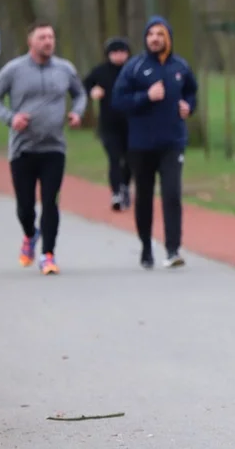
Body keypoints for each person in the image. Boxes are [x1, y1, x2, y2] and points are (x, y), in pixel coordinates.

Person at [0, 21, 86, 275]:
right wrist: (11, 119)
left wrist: (76, 112)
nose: (48, 42)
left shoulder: (65, 69)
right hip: (23, 149)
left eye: (51, 37)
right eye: (42, 37)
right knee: (25, 206)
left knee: (51, 202)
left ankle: (48, 255)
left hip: (54, 148)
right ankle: (30, 235)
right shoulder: (14, 69)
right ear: (31, 41)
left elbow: (80, 94)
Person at [112, 16, 198, 270]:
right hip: (141, 143)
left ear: (168, 37)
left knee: (172, 194)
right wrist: (145, 97)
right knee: (145, 196)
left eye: (160, 34)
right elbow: (119, 100)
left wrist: (188, 106)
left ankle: (173, 249)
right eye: (150, 34)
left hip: (172, 141)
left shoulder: (180, 66)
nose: (155, 39)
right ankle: (146, 246)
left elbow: (191, 91)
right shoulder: (135, 67)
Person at [82, 37, 132, 211]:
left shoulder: (132, 70)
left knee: (131, 160)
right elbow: (84, 84)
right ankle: (116, 192)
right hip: (109, 125)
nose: (119, 56)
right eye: (115, 53)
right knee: (114, 159)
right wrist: (92, 91)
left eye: (122, 52)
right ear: (108, 55)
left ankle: (125, 185)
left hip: (131, 124)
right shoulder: (101, 71)